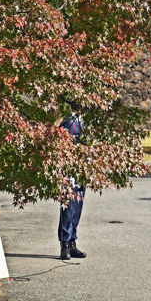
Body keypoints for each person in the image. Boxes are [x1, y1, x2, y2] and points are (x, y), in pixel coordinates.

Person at [58, 104, 87, 260]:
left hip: (82, 168)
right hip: (70, 167)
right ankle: (65, 245)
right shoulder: (69, 121)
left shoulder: (85, 121)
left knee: (77, 206)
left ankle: (72, 241)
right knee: (68, 207)